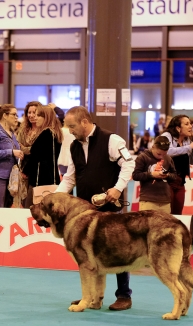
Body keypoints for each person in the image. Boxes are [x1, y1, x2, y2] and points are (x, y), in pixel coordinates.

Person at [55, 106, 135, 311]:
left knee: (118, 250)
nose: (70, 131)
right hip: (84, 212)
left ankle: (124, 295)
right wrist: (56, 196)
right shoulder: (73, 146)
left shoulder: (112, 140)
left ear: (84, 122)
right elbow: (71, 177)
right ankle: (91, 297)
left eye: (72, 126)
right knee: (87, 256)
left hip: (110, 208)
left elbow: (129, 164)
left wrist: (117, 189)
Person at [21, 104, 63, 207]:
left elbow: (36, 156)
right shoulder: (53, 133)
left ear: (46, 118)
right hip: (47, 178)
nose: (35, 117)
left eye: (38, 115)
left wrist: (25, 170)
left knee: (31, 209)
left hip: (41, 180)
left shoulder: (46, 133)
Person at [161, 115, 193, 214]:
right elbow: (168, 152)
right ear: (178, 128)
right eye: (186, 124)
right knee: (166, 214)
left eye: (190, 124)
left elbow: (191, 161)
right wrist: (189, 147)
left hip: (180, 182)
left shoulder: (187, 140)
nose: (190, 126)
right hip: (166, 182)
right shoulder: (167, 136)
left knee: (178, 214)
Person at [132, 136, 180, 213]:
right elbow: (135, 175)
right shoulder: (143, 157)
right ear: (153, 147)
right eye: (159, 154)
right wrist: (152, 174)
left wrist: (167, 175)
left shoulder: (168, 159)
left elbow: (174, 176)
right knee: (147, 225)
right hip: (148, 200)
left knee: (166, 225)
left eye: (164, 154)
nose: (161, 157)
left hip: (165, 200)